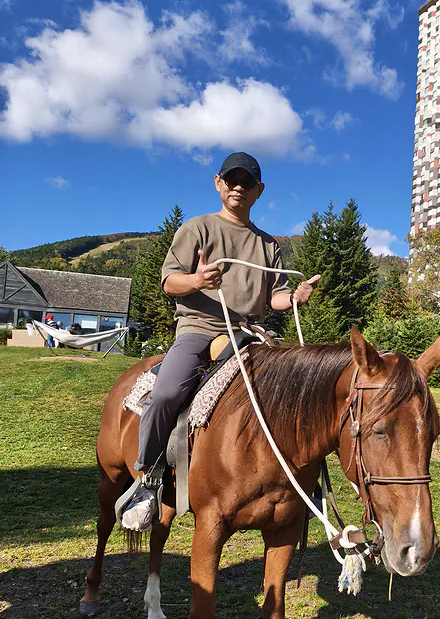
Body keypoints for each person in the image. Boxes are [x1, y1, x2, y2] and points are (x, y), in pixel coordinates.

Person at [121, 152, 319, 531]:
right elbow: (168, 282)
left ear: (259, 191)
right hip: (199, 327)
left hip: (250, 333)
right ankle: (146, 481)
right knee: (165, 394)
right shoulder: (197, 228)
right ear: (218, 183)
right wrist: (197, 281)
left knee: (299, 393)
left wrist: (293, 298)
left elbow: (274, 296)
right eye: (232, 180)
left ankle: (306, 488)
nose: (238, 187)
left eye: (247, 182)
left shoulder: (268, 245)